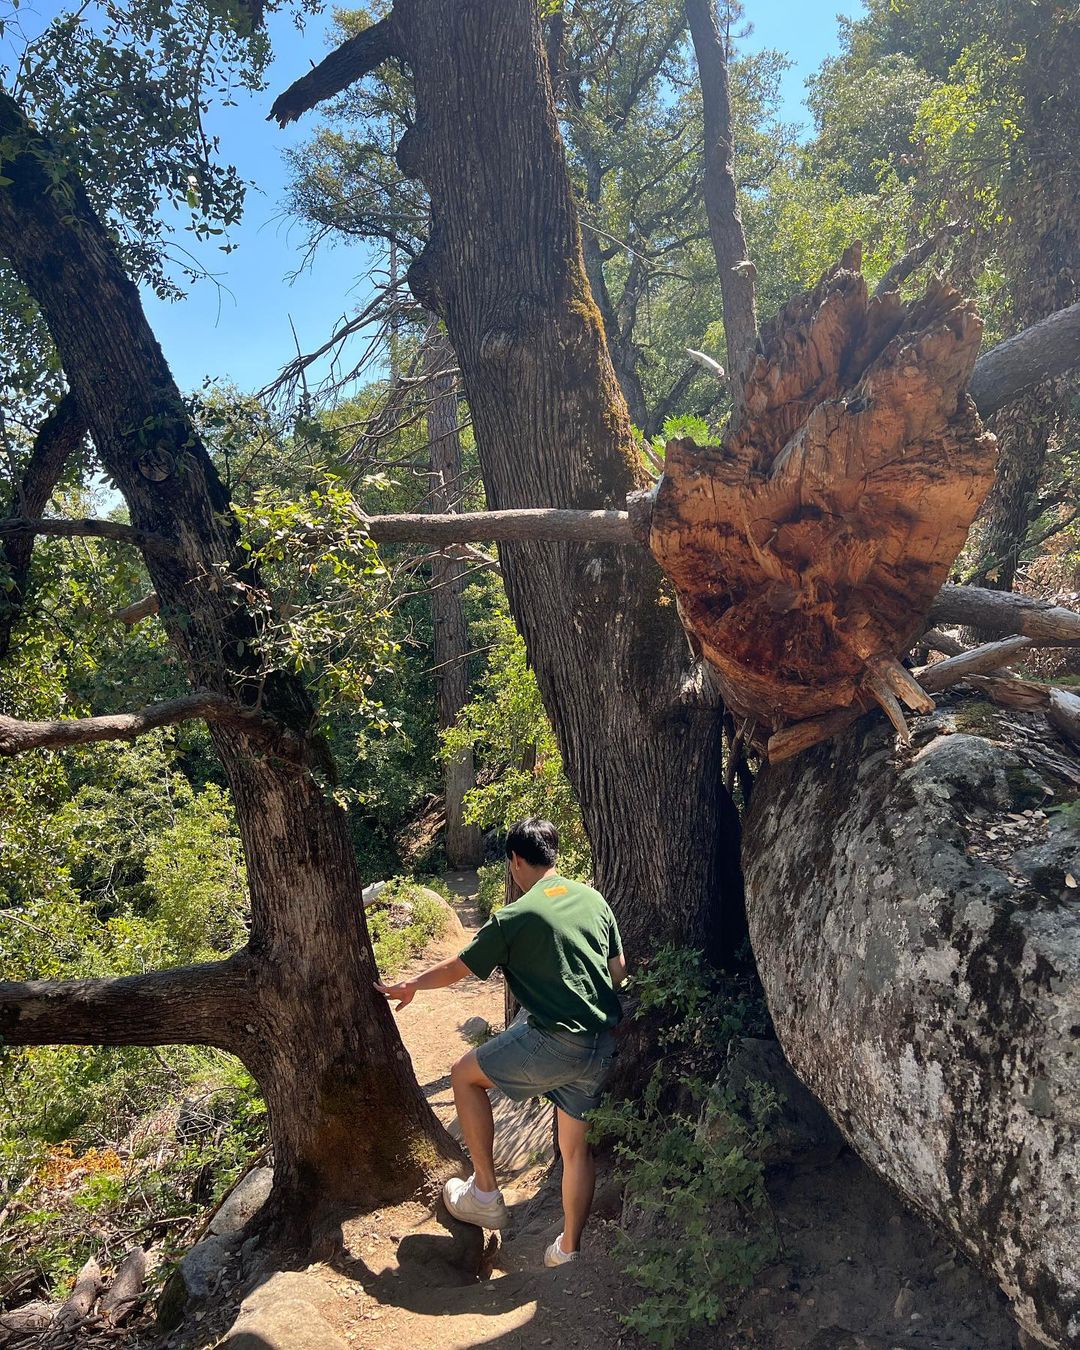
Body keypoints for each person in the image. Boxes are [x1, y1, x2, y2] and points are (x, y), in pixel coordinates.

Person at [376, 816, 626, 1268]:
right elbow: (618, 970)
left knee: (463, 1076)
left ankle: (486, 1193)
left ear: (515, 860)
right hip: (600, 1044)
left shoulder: (515, 917)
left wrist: (412, 984)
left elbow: (460, 967)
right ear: (553, 853)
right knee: (574, 1150)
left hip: (554, 1042)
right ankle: (568, 1250)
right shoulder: (592, 898)